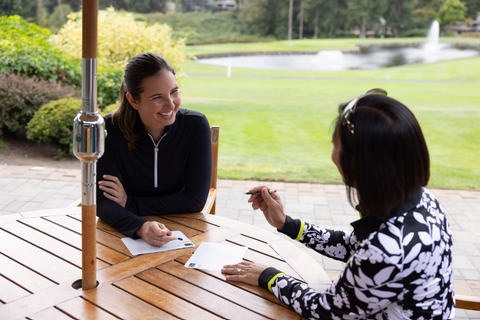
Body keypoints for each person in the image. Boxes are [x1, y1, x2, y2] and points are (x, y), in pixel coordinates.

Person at [222, 89, 455, 319]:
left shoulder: (385, 250)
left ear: (360, 165)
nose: (333, 155)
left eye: (336, 144)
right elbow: (352, 247)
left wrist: (268, 275)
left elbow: (323, 309)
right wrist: (286, 224)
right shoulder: (421, 201)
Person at [96, 52, 212, 246]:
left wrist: (129, 203)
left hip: (184, 231)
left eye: (174, 91)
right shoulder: (110, 129)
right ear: (133, 100)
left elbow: (194, 201)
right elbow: (102, 202)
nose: (171, 104)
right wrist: (141, 227)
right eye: (158, 97)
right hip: (125, 232)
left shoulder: (195, 126)